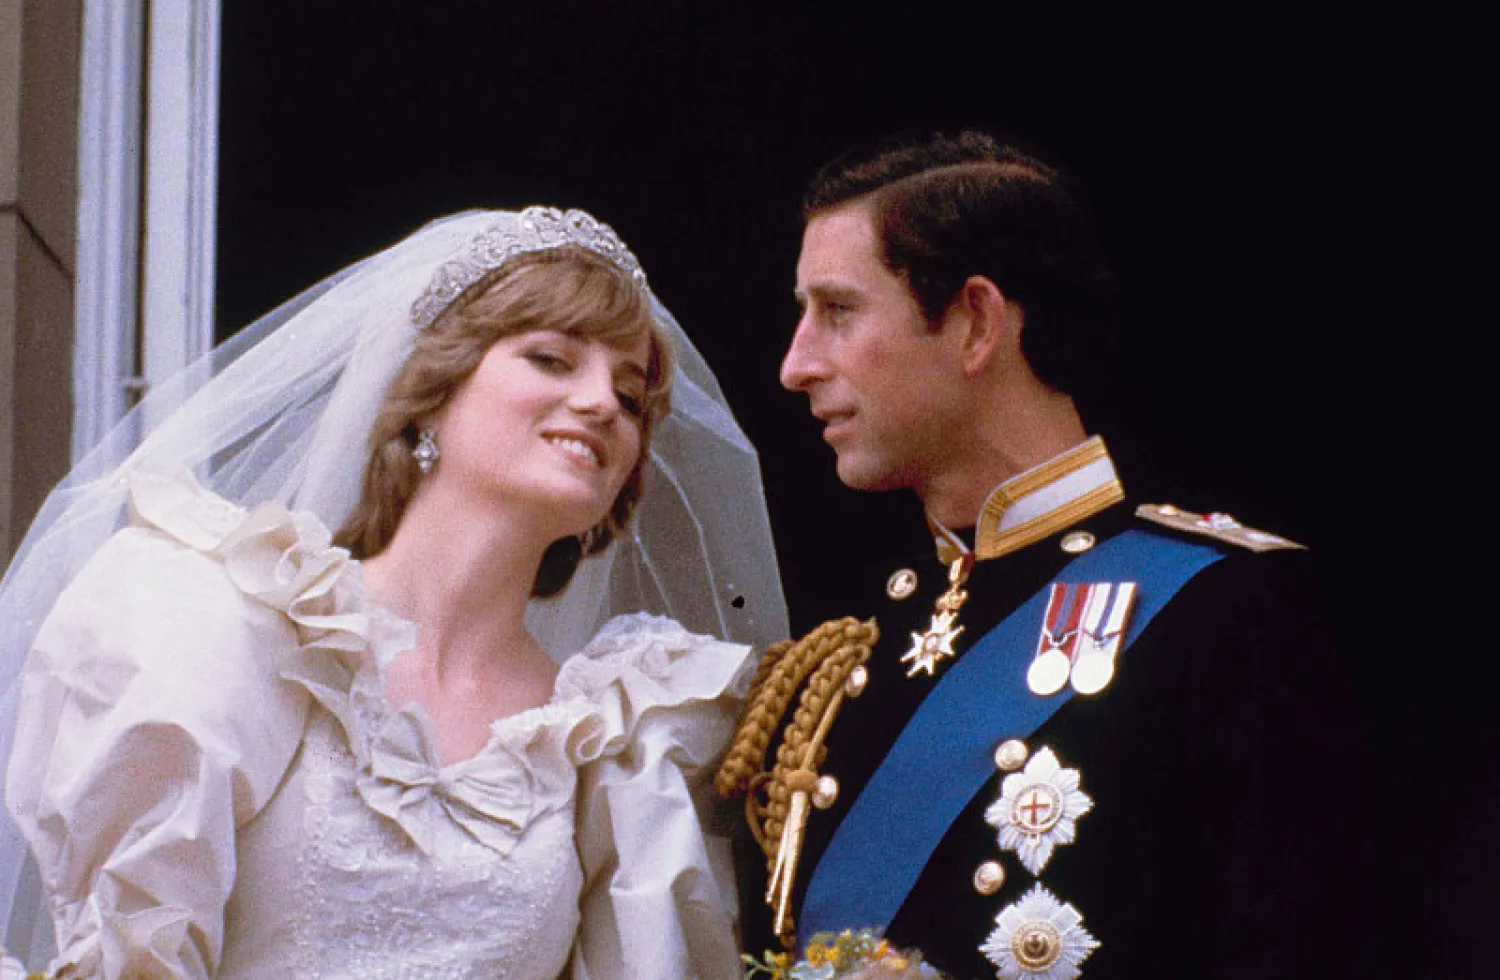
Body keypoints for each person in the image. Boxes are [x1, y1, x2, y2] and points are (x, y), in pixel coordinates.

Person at [0, 207, 787, 979]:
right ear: (432, 390)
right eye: (551, 359)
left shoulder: (610, 740)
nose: (601, 404)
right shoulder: (229, 630)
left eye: (630, 392)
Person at [718, 134, 1372, 979]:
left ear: (976, 322)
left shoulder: (1221, 613)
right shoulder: (857, 652)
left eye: (838, 311)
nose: (794, 365)